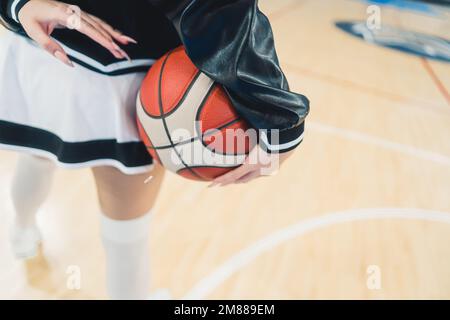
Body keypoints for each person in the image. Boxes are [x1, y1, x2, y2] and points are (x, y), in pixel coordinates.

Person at [0, 0, 309, 299]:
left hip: (42, 43)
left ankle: (22, 232)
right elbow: (217, 14)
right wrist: (281, 123)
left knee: (37, 156)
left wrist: (17, 4)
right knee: (125, 227)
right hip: (127, 67)